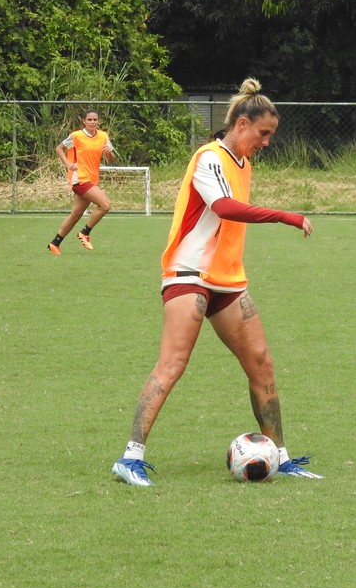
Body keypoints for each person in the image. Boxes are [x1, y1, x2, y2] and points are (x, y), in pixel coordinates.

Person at [112, 78, 323, 486]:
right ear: (242, 123)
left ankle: (279, 456)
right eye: (263, 134)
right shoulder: (209, 157)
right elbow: (225, 207)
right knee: (172, 364)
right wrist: (285, 215)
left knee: (261, 363)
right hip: (188, 273)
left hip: (228, 280)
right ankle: (129, 457)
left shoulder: (245, 163)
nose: (266, 142)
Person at [48, 110, 115, 254]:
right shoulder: (76, 136)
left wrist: (109, 152)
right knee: (105, 205)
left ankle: (55, 243)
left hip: (92, 179)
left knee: (76, 215)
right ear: (84, 121)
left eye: (95, 119)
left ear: (98, 121)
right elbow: (59, 148)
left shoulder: (103, 136)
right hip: (80, 179)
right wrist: (67, 163)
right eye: (89, 119)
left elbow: (111, 160)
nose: (92, 122)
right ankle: (85, 232)